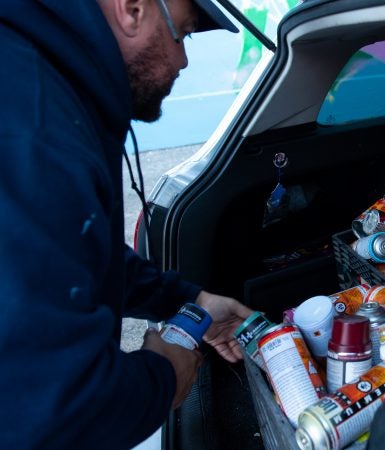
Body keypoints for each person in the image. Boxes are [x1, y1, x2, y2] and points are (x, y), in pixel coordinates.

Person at [0, 0, 253, 448]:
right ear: (132, 9)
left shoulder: (43, 81)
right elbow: (53, 409)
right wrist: (166, 376)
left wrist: (190, 299)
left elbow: (71, 254)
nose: (183, 60)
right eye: (186, 33)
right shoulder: (33, 126)